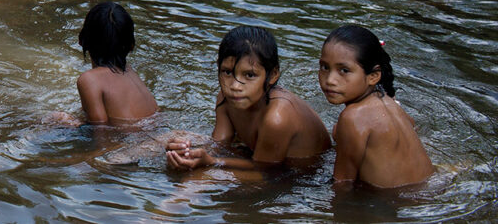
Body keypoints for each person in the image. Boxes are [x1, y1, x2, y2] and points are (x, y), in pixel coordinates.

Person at [166, 26, 331, 173]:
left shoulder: (276, 118)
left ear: (273, 75)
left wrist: (212, 162)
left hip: (300, 175)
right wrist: (186, 153)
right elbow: (219, 145)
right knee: (170, 138)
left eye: (249, 75)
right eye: (228, 72)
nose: (235, 86)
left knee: (199, 179)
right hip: (261, 158)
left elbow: (265, 171)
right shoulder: (226, 98)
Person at [319, 25, 433, 188]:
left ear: (373, 76)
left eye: (344, 70)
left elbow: (342, 184)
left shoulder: (353, 118)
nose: (330, 79)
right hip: (429, 188)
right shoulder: (389, 102)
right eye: (324, 67)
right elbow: (412, 124)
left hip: (395, 202)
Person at [76, 2, 158, 124]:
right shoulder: (129, 71)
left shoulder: (90, 80)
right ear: (131, 46)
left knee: (56, 117)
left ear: (81, 40)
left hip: (135, 141)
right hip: (158, 132)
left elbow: (99, 130)